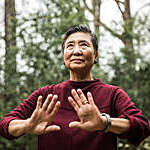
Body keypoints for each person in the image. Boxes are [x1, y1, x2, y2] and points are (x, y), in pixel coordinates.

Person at [0, 24, 149, 150]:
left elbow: (142, 126)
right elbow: (5, 124)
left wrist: (105, 123)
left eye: (84, 45)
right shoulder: (46, 95)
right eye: (70, 46)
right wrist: (28, 125)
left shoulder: (113, 94)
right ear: (64, 55)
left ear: (95, 55)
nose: (76, 51)